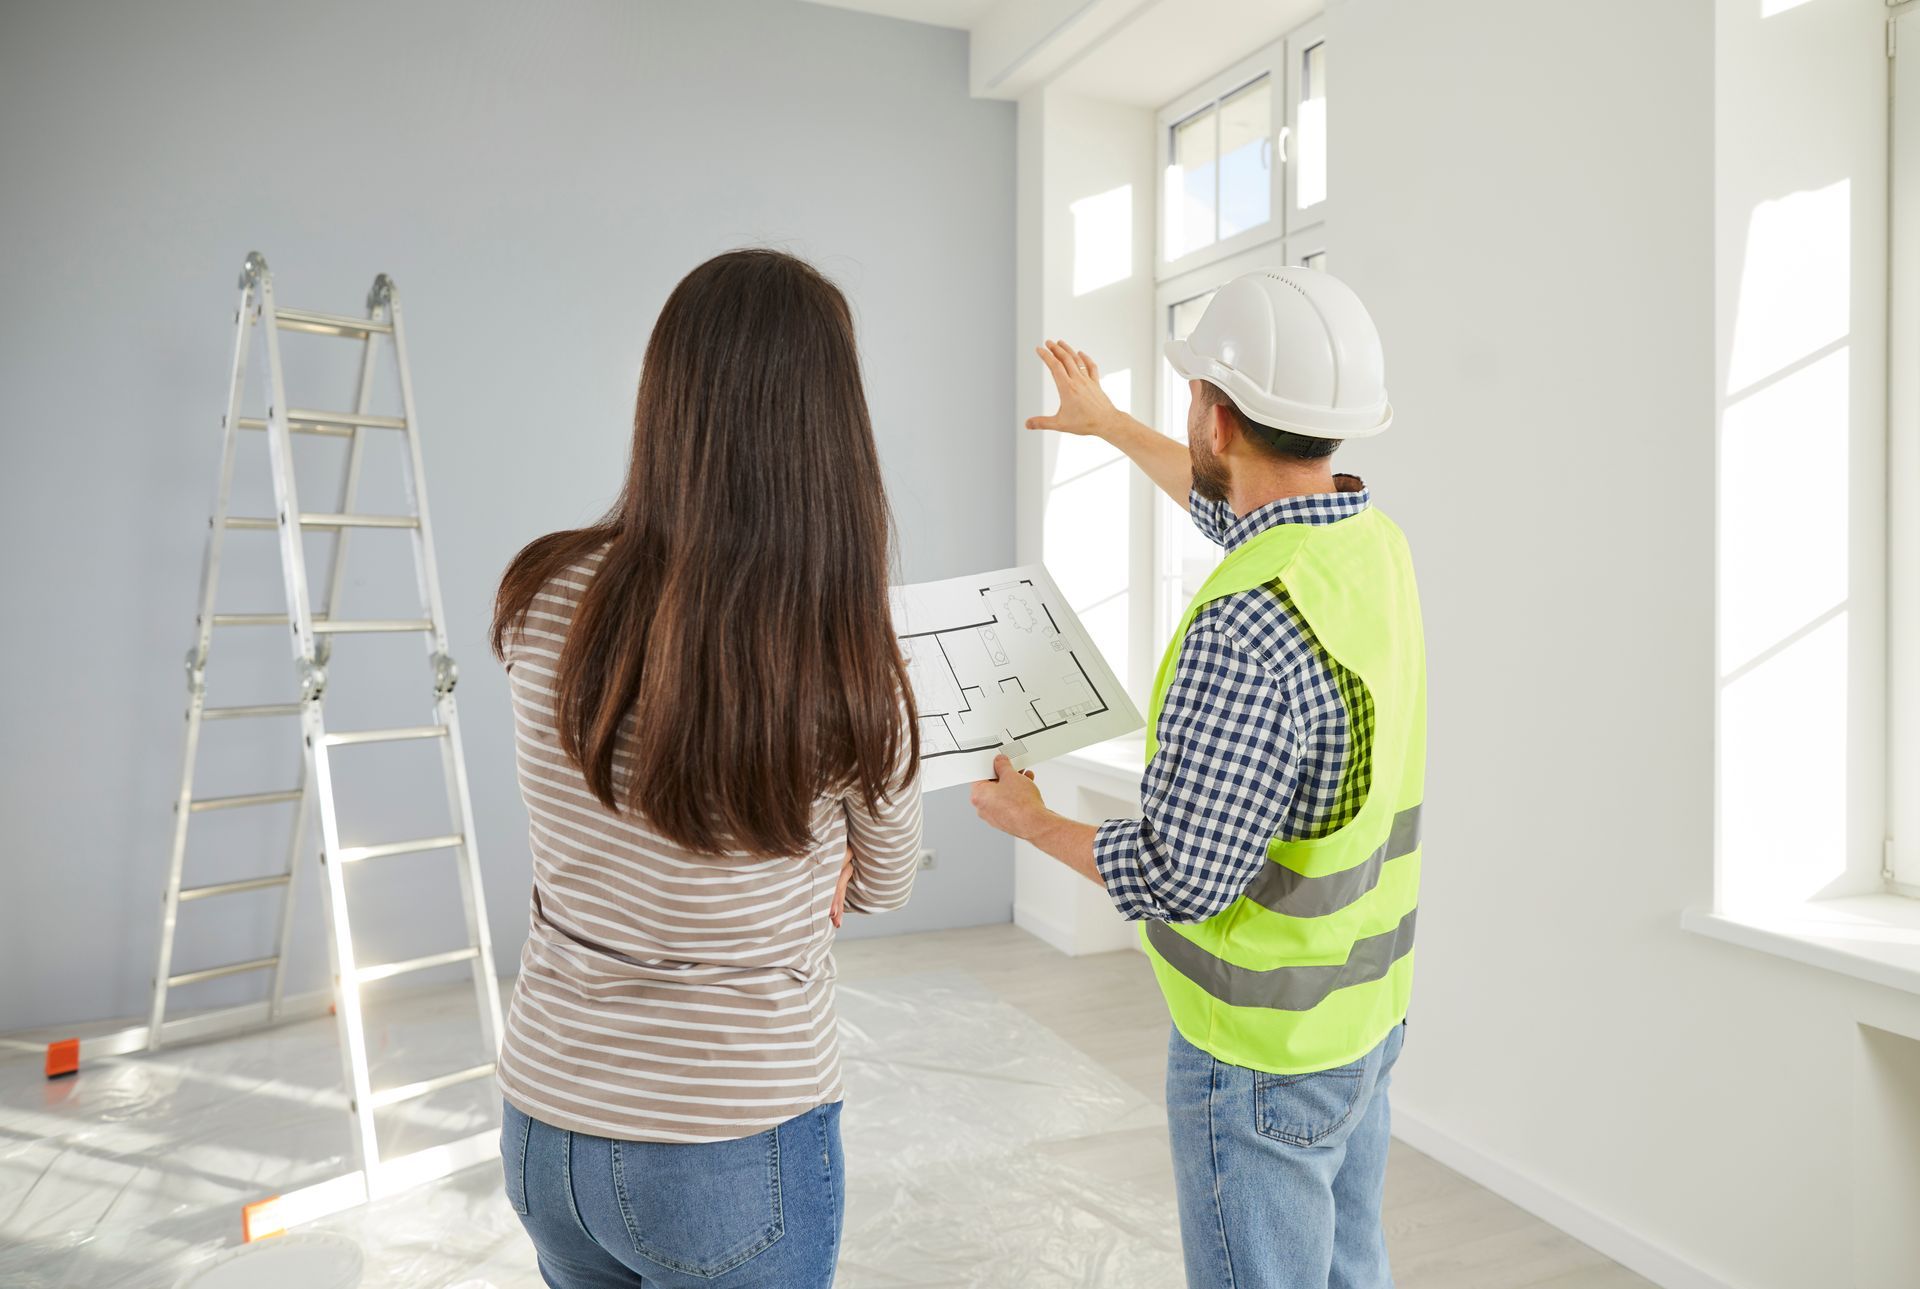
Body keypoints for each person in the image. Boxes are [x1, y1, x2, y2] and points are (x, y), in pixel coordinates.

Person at [970, 268, 1424, 1289]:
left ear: (1216, 418)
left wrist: (1030, 818)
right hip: (1364, 1019)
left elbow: (1182, 876)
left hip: (1258, 1053)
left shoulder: (1245, 628)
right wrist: (1111, 424)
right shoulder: (1367, 548)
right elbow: (1244, 515)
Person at [489, 249, 923, 1289]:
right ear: (829, 430)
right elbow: (888, 880)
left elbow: (601, 812)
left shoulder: (545, 592)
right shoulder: (843, 655)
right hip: (731, 1138)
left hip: (547, 1119)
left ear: (667, 399)